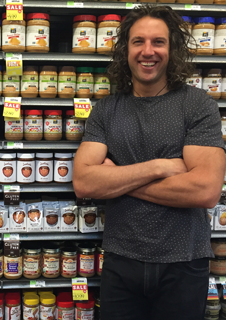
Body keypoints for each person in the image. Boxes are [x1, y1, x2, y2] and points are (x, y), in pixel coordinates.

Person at [73, 5, 226, 320]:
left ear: (172, 49)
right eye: (138, 41)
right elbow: (85, 183)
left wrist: (117, 182)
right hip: (120, 261)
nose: (148, 51)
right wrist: (160, 167)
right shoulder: (106, 110)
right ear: (125, 49)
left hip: (184, 262)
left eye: (158, 42)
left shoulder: (198, 106)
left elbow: (205, 191)